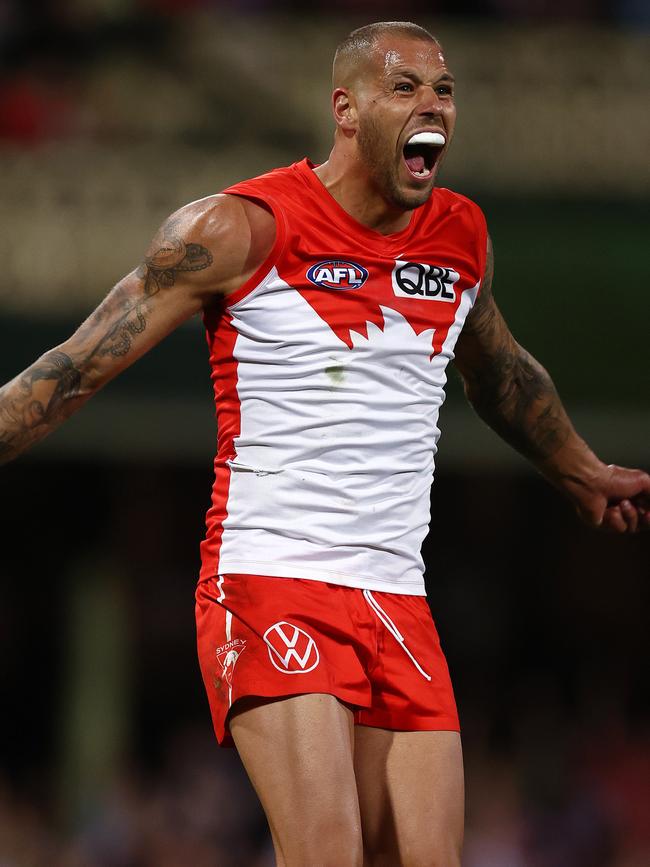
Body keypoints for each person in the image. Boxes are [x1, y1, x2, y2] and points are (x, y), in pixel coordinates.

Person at [0, 19, 648, 867]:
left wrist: (581, 470)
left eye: (444, 89)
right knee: (327, 854)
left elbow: (499, 371)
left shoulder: (461, 237)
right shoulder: (240, 228)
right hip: (271, 578)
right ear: (346, 109)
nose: (434, 106)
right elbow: (74, 367)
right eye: (405, 87)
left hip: (395, 596)